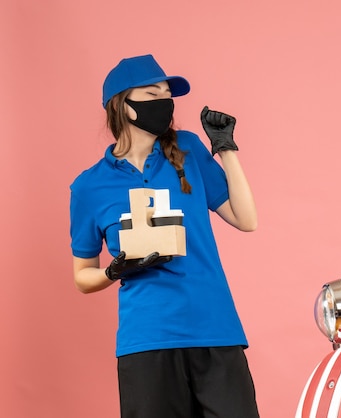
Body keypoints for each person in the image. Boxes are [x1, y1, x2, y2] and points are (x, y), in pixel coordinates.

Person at [70, 54, 260, 418]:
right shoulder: (89, 187)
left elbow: (246, 219)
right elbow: (82, 276)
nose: (165, 101)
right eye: (152, 92)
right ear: (123, 106)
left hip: (215, 328)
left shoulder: (187, 150)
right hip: (147, 338)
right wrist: (114, 270)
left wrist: (225, 149)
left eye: (167, 93)